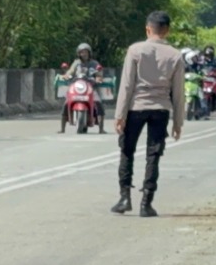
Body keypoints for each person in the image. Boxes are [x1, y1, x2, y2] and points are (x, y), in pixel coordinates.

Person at [110, 11, 186, 218]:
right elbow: (179, 92)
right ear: (167, 30)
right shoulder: (175, 55)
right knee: (154, 154)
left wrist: (120, 115)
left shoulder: (135, 50)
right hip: (160, 109)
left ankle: (125, 198)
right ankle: (147, 203)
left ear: (147, 28)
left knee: (127, 150)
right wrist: (178, 122)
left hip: (136, 107)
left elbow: (127, 85)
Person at [59, 42, 107, 133]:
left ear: (89, 53)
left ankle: (101, 128)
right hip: (77, 85)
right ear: (79, 53)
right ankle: (62, 128)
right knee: (66, 103)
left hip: (90, 87)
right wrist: (66, 75)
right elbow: (70, 71)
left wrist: (99, 77)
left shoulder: (94, 63)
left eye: (86, 52)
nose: (84, 54)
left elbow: (99, 73)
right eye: (82, 52)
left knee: (98, 102)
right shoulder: (76, 63)